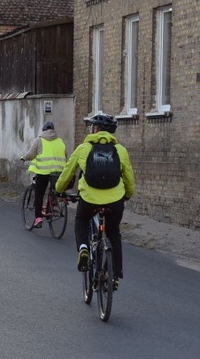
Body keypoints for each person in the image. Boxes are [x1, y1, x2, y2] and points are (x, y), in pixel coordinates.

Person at [55, 113, 135, 290]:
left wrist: (58, 190)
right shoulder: (120, 150)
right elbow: (129, 178)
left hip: (89, 199)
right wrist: (128, 194)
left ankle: (83, 248)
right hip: (115, 201)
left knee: (81, 220)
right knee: (113, 233)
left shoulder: (83, 148)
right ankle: (115, 276)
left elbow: (67, 173)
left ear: (96, 129)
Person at [20, 121, 67, 229]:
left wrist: (24, 158)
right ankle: (53, 204)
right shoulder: (60, 141)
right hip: (58, 171)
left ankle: (38, 218)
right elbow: (65, 155)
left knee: (39, 193)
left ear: (43, 130)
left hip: (43, 171)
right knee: (55, 190)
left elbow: (31, 154)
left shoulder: (39, 140)